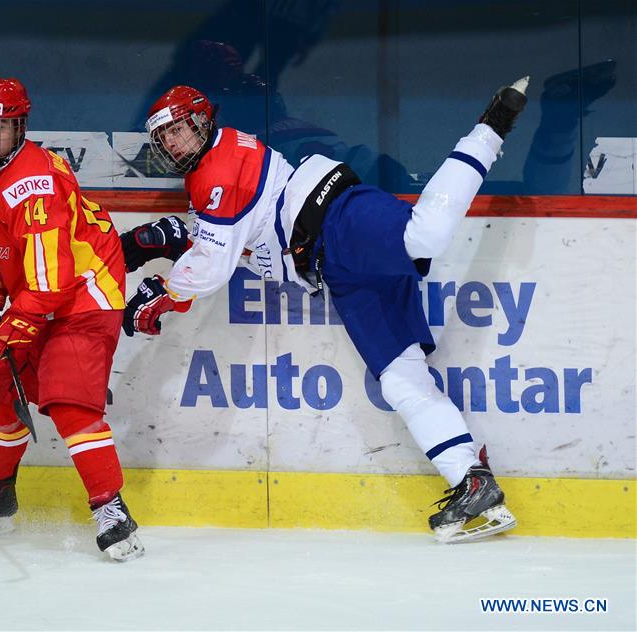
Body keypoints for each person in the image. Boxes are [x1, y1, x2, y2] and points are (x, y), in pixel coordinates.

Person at [120, 78, 530, 543]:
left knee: (424, 235)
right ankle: (472, 481)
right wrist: (168, 245)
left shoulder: (215, 170)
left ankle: (489, 129)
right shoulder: (212, 169)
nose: (172, 142)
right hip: (336, 270)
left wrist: (166, 291)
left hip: (337, 217)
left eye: (178, 129)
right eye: (164, 137)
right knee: (401, 379)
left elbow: (212, 265)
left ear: (201, 121)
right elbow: (226, 235)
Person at [0, 76, 143, 561]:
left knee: (68, 399)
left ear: (20, 128)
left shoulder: (35, 187)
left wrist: (18, 321)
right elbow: (4, 234)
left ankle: (112, 509)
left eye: (1, 127)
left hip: (85, 294)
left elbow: (54, 283)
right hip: (45, 286)